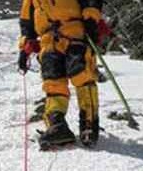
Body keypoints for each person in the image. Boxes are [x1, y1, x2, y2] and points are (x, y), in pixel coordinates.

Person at [18, 0, 103, 149]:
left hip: (75, 33)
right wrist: (24, 49)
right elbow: (27, 23)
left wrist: (91, 18)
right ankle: (58, 126)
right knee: (53, 83)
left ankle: (89, 125)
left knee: (82, 76)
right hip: (48, 41)